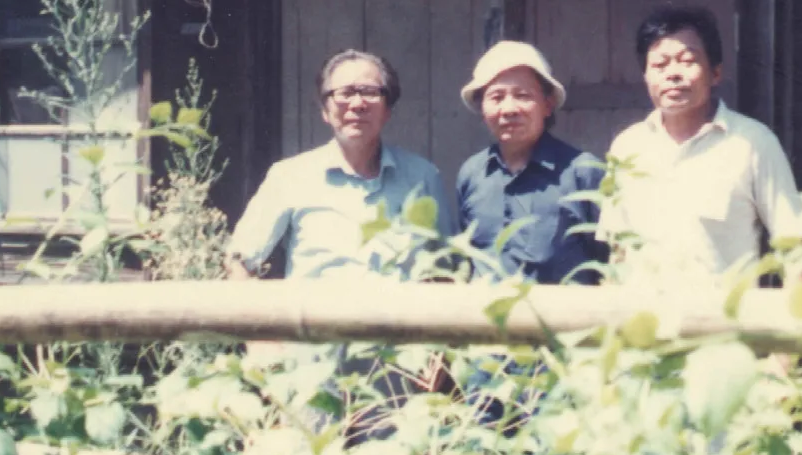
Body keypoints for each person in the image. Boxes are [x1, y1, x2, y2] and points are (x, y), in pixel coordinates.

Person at [603, 5, 802, 287]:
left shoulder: (752, 142)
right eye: (660, 65)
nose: (673, 74)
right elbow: (618, 252)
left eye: (687, 61)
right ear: (646, 77)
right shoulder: (627, 146)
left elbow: (798, 246)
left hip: (723, 326)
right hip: (643, 326)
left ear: (716, 73)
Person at [224, 49, 451, 281]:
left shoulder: (423, 177)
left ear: (388, 110)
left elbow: (448, 268)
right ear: (325, 110)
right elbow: (240, 260)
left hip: (397, 315)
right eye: (345, 93)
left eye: (370, 92)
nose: (357, 103)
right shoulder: (288, 176)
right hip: (315, 315)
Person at [444, 41, 608, 285]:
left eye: (523, 96)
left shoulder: (582, 172)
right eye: (496, 97)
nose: (509, 109)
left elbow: (608, 261)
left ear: (547, 105)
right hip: (484, 320)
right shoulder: (473, 173)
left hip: (560, 320)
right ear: (482, 108)